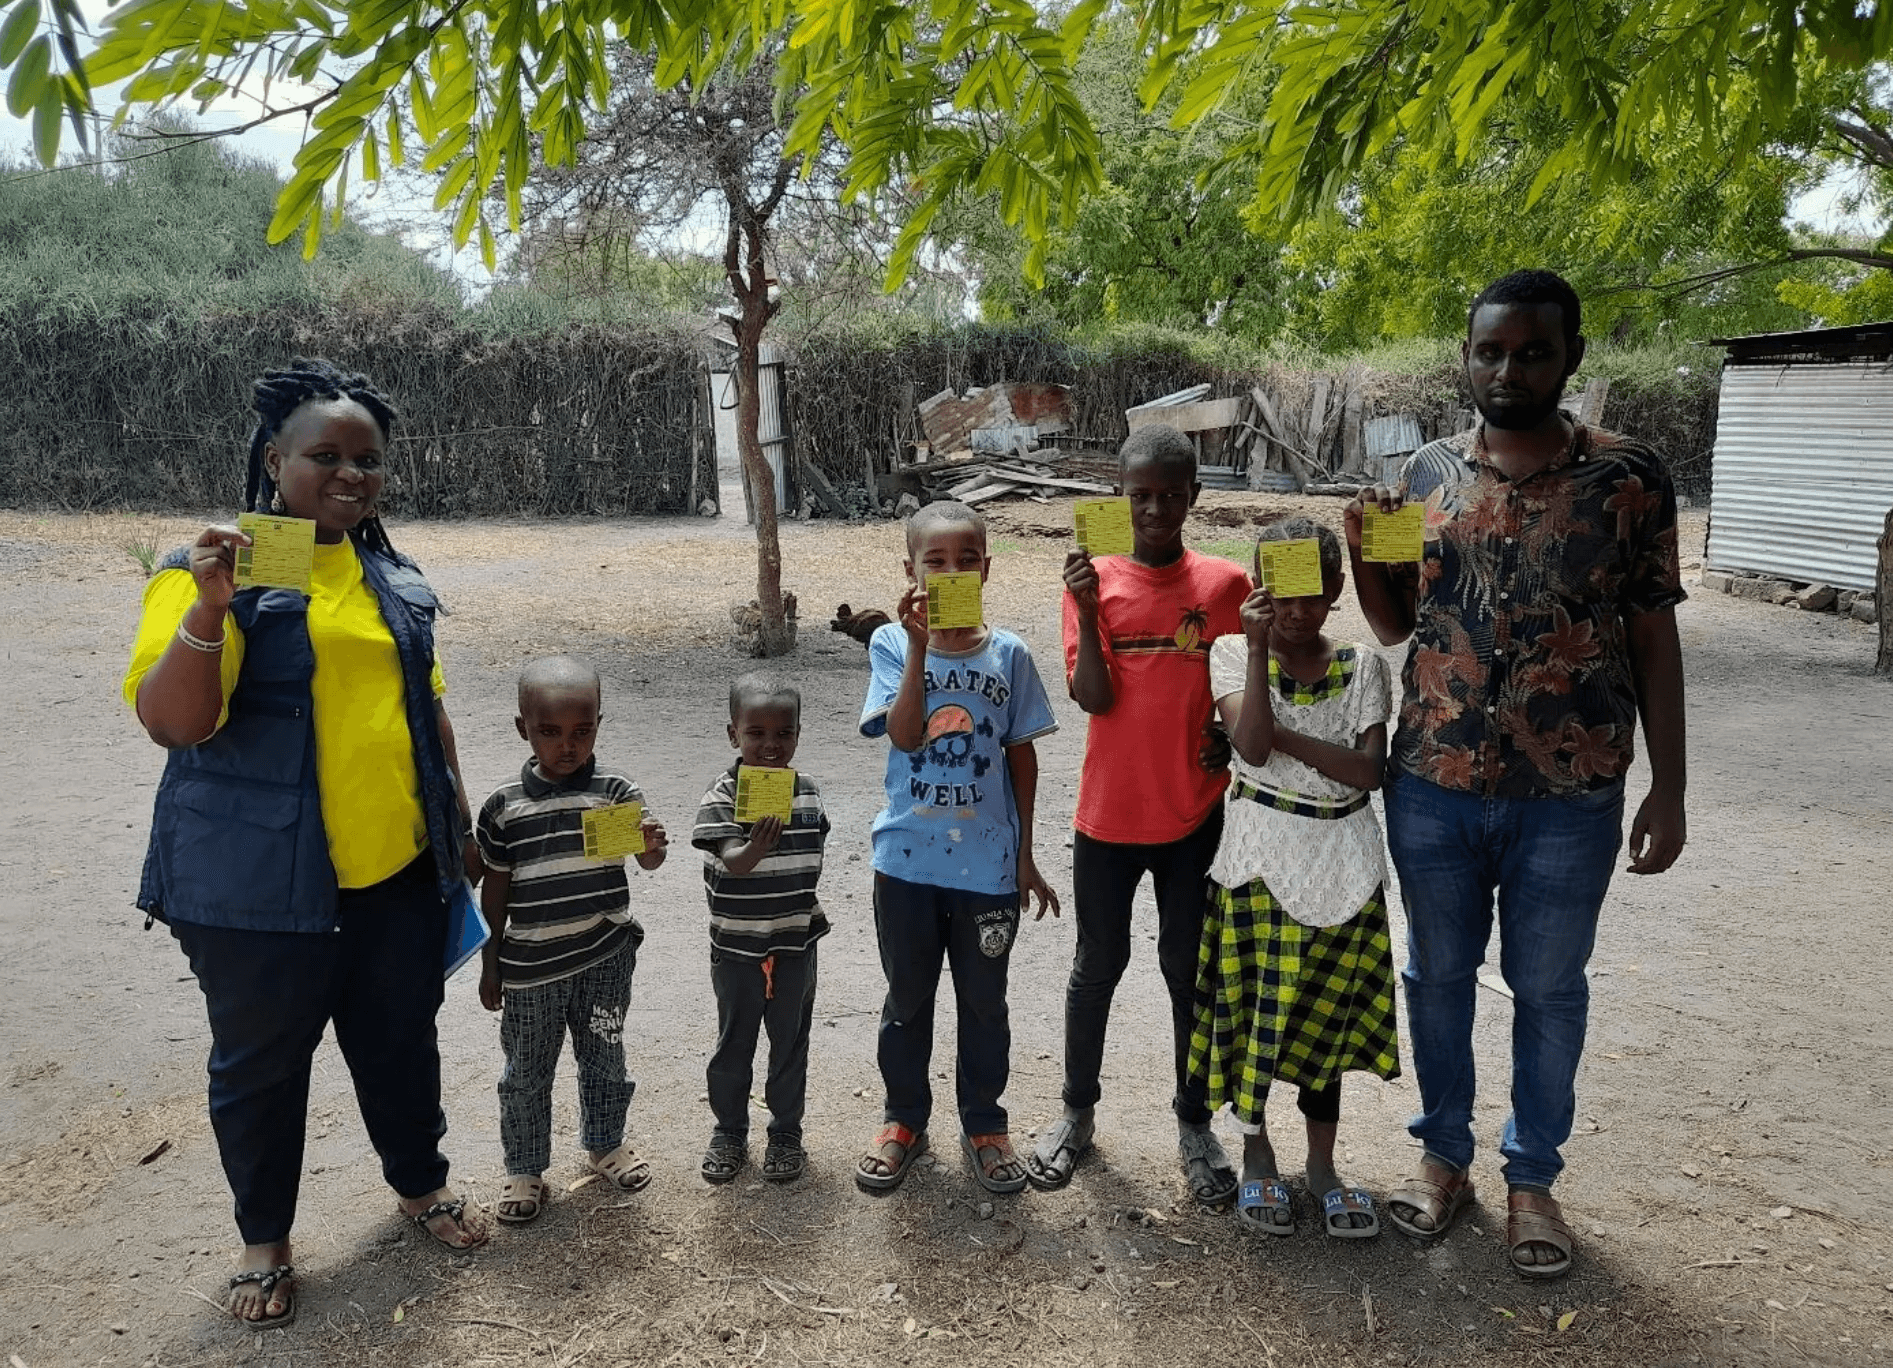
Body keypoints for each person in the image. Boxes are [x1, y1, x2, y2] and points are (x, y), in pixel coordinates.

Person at [126, 359, 489, 1328]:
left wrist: (456, 822)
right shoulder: (216, 569)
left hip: (396, 875)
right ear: (273, 461)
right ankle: (264, 1243)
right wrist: (210, 607)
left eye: (367, 460)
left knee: (400, 1046)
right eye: (324, 456)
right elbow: (174, 725)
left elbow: (428, 706)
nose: (350, 475)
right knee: (260, 1065)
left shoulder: (389, 576)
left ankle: (420, 1187)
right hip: (256, 886)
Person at [1347, 269, 1687, 1279]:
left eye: (1533, 351)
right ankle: (1442, 1158)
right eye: (1491, 350)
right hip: (1435, 781)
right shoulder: (1422, 478)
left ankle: (1531, 1178)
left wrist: (1670, 785)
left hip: (1570, 796)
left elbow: (1654, 635)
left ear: (1571, 358)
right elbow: (1397, 625)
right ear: (1467, 355)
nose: (1509, 369)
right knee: (1438, 977)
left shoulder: (1629, 480)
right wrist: (1362, 554)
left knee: (1547, 988)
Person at [1025, 425, 1251, 1205]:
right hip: (1108, 819)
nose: (1154, 508)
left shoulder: (1223, 586)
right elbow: (1095, 697)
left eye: (1169, 494)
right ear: (1122, 496)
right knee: (1097, 967)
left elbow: (1240, 684)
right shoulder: (1092, 581)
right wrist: (1088, 610)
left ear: (1193, 497)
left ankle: (1194, 1124)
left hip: (1193, 816)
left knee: (1186, 973)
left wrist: (1225, 733)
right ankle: (1075, 1116)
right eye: (1140, 495)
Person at [1187, 518, 1399, 1239]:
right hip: (1259, 859)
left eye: (1314, 596)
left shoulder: (1364, 665)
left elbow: (1367, 774)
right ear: (1258, 596)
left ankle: (1322, 1167)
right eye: (1282, 597)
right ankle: (1256, 1156)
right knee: (1254, 1018)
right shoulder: (1225, 653)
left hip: (1344, 861)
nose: (1298, 612)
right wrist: (1252, 652)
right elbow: (1246, 747)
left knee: (1324, 1024)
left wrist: (1280, 734)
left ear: (1337, 590)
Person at [855, 500, 1060, 1195]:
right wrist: (918, 644)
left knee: (983, 1003)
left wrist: (1026, 854)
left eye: (964, 560)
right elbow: (906, 735)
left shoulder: (1009, 655)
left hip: (988, 871)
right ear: (909, 571)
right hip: (906, 865)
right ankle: (902, 1119)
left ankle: (985, 1122)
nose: (950, 572)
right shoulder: (888, 645)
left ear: (986, 568)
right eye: (933, 562)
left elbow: (1021, 758)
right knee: (906, 1000)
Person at [474, 656, 668, 1224]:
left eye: (582, 731)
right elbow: (495, 889)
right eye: (550, 732)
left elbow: (649, 862)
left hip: (604, 955)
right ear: (523, 729)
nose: (567, 746)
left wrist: (650, 844)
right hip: (531, 968)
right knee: (527, 1069)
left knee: (605, 1053)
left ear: (599, 724)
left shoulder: (615, 792)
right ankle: (526, 1168)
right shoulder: (504, 807)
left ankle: (605, 1142)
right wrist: (492, 961)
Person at [691, 673, 830, 1186]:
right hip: (738, 948)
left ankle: (786, 1132)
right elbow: (730, 861)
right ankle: (729, 1130)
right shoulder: (722, 794)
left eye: (783, 733)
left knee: (790, 1041)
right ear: (734, 735)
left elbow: (814, 858)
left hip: (794, 944)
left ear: (797, 734)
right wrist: (755, 847)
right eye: (756, 734)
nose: (770, 745)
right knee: (735, 1041)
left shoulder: (808, 793)